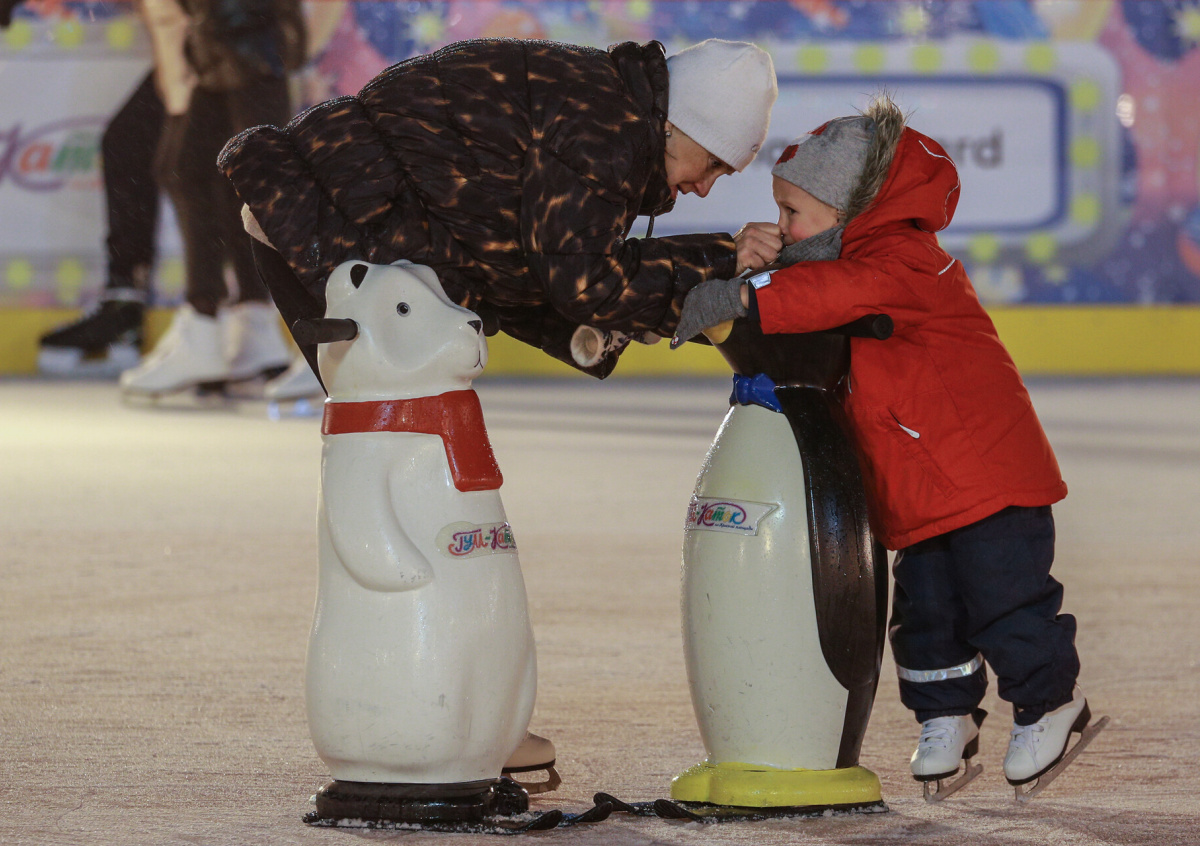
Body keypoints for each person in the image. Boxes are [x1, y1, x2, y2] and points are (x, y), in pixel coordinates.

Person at [672, 95, 1093, 792]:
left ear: (849, 209)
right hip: (918, 483)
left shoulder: (905, 261)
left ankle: (1049, 703)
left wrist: (747, 294)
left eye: (792, 213)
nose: (783, 226)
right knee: (925, 615)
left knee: (1005, 600)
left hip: (985, 480)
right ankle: (946, 714)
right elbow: (805, 310)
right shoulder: (837, 263)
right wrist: (747, 270)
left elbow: (832, 293)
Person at [219, 37, 781, 381]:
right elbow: (582, 281)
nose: (706, 189)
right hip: (325, 226)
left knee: (393, 437)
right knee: (391, 435)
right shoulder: (604, 127)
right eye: (713, 164)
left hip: (320, 218)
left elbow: (514, 267)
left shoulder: (605, 102)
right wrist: (718, 261)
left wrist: (624, 315)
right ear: (682, 125)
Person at [118, 0, 309, 398]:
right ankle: (247, 321)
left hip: (240, 34)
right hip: (231, 38)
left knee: (234, 174)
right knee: (210, 173)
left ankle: (216, 322)